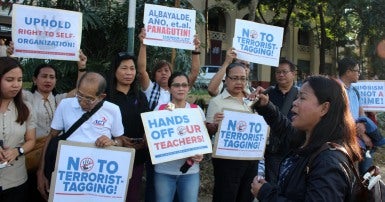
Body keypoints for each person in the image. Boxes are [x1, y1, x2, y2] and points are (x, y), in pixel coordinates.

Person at [250, 75, 362, 201]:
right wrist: (265, 105)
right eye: (297, 97)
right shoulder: (307, 141)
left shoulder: (328, 161)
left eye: (302, 98)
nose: (294, 103)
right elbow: (285, 129)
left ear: (324, 108)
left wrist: (266, 193)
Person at [36, 72, 125, 200]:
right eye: (79, 95)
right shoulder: (65, 105)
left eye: (89, 99)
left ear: (101, 97)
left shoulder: (113, 110)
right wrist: (41, 172)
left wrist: (112, 142)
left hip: (97, 177)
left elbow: (120, 141)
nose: (82, 102)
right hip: (68, 175)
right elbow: (51, 136)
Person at [137, 28, 201, 202]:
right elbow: (141, 70)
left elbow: (200, 137)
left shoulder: (193, 108)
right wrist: (143, 43)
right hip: (161, 159)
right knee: (153, 192)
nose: (164, 73)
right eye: (160, 70)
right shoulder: (156, 96)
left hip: (188, 166)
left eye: (167, 70)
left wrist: (196, 49)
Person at [206, 62, 257, 202]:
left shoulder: (253, 101)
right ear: (226, 79)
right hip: (226, 161)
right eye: (234, 78)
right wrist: (215, 125)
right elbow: (208, 131)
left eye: (243, 78)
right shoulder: (217, 102)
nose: (239, 82)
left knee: (246, 197)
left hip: (250, 159)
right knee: (225, 196)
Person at [153, 72, 205, 202]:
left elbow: (202, 139)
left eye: (184, 85)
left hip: (190, 171)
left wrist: (201, 153)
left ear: (188, 88)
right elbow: (151, 138)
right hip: (164, 171)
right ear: (170, 88)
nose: (180, 88)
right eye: (176, 85)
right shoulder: (160, 110)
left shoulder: (196, 110)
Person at [105, 52, 149, 202]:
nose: (129, 72)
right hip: (109, 157)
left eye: (132, 68)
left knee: (132, 195)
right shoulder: (105, 96)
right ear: (115, 70)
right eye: (124, 68)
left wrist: (144, 139)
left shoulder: (140, 96)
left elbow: (147, 124)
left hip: (136, 157)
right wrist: (117, 139)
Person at [0, 57, 36, 201]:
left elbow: (31, 140)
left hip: (16, 181)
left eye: (19, 80)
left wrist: (17, 151)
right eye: (9, 80)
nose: (16, 85)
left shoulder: (26, 108)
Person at [337, 57, 378, 174]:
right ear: (348, 72)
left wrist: (363, 126)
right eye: (357, 71)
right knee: (350, 176)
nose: (359, 73)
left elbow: (361, 114)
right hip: (345, 141)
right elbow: (342, 119)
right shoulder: (336, 91)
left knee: (367, 175)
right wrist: (363, 136)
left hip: (358, 139)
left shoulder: (355, 91)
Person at [261, 58, 299, 184]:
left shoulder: (301, 95)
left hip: (295, 148)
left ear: (293, 73)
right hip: (273, 148)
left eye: (284, 71)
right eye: (278, 72)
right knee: (273, 184)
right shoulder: (267, 94)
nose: (281, 75)